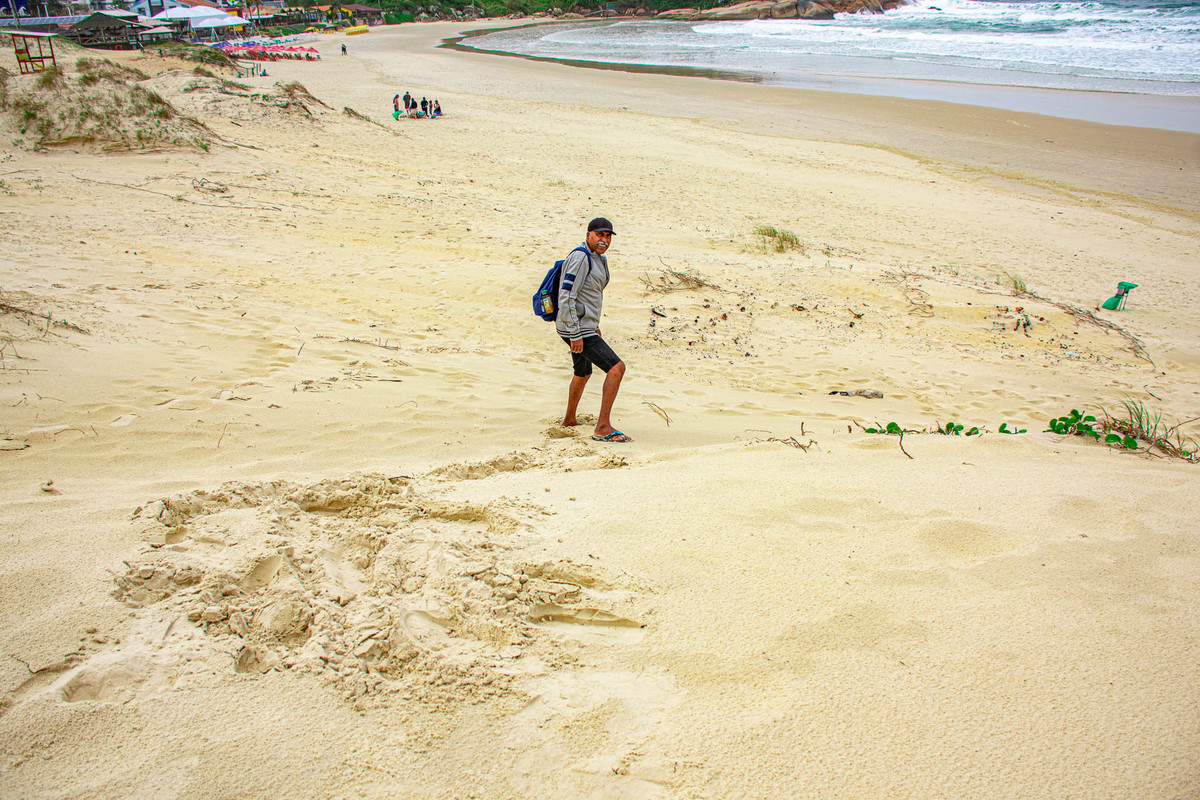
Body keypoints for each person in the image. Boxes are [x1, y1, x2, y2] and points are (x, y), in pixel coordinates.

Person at [556, 217, 630, 443]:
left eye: (608, 236)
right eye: (600, 235)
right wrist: (575, 333)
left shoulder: (599, 259)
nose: (604, 240)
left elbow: (590, 295)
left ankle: (569, 419)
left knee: (583, 371)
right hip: (577, 327)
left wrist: (594, 326)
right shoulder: (580, 257)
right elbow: (567, 295)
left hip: (585, 326)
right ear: (589, 234)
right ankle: (603, 426)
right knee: (616, 368)